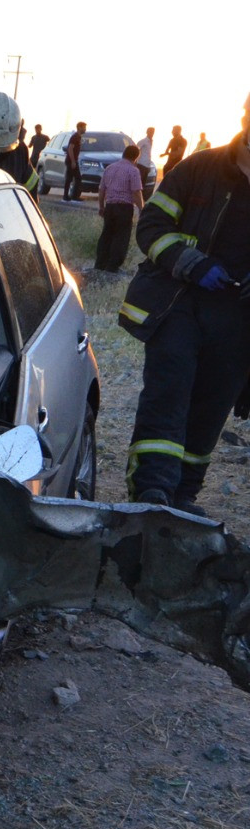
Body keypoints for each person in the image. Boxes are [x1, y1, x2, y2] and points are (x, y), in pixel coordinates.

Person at [118, 92, 250, 514]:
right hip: (178, 304)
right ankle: (152, 491)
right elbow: (152, 224)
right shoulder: (201, 167)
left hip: (238, 322)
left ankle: (183, 496)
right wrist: (190, 262)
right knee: (168, 392)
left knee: (212, 407)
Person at [94, 144, 145, 272]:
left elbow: (101, 190)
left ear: (124, 154)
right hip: (124, 208)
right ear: (136, 157)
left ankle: (100, 264)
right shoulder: (133, 171)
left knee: (106, 235)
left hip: (110, 207)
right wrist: (142, 209)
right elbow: (136, 193)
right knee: (121, 237)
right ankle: (112, 267)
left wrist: (101, 206)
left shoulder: (110, 168)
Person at [63, 122, 86, 201]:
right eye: (84, 127)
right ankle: (73, 197)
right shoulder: (75, 137)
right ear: (79, 127)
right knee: (77, 178)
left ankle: (68, 196)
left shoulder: (78, 137)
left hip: (73, 160)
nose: (85, 129)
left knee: (71, 178)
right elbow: (70, 148)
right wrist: (73, 161)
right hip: (71, 161)